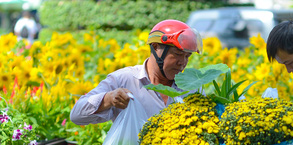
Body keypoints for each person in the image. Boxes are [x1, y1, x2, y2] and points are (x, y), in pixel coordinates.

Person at [70, 19, 201, 126]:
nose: (182, 62)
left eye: (187, 56)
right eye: (177, 54)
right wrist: (109, 99)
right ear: (155, 48)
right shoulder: (124, 79)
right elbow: (76, 115)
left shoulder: (192, 87)